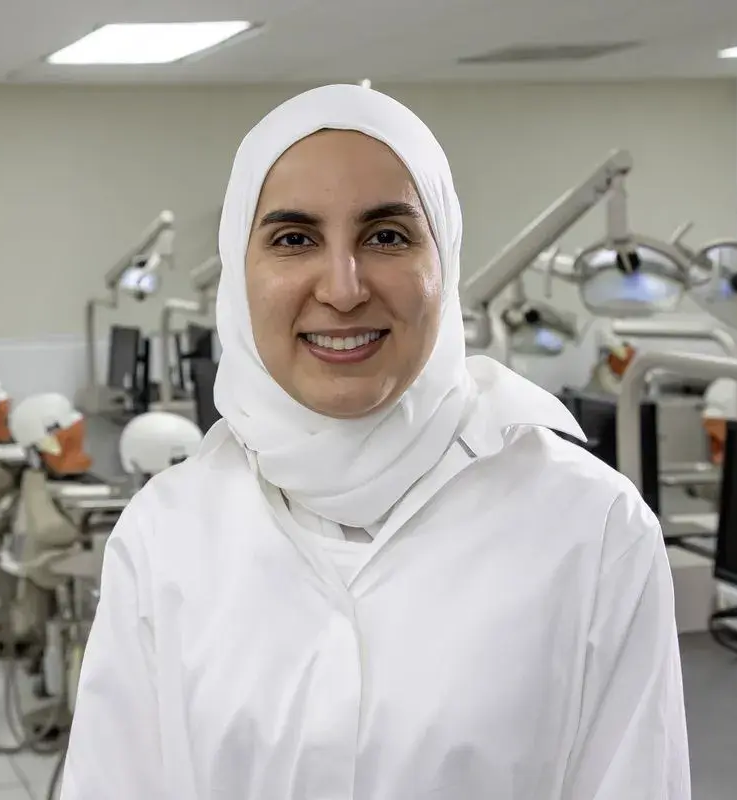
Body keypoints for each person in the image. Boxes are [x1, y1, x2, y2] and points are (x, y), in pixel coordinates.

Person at [60, 85, 688, 800]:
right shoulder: (166, 533)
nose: (343, 288)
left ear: (444, 261)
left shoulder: (591, 527)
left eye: (386, 236)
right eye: (294, 239)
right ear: (239, 271)